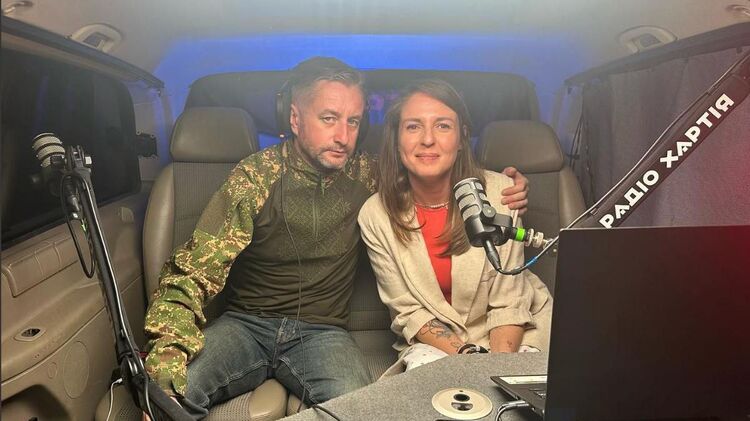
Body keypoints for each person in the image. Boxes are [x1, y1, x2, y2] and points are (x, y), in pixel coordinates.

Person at [143, 58, 530, 417]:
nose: (343, 136)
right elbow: (191, 274)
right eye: (329, 118)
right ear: (295, 119)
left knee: (363, 409)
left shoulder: (371, 175)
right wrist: (166, 360)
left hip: (323, 332)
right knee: (161, 395)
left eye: (353, 122)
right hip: (245, 325)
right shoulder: (253, 178)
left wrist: (504, 184)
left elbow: (432, 169)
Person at [358, 79, 552, 375]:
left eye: (443, 126)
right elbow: (409, 313)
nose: (427, 139)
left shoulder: (501, 194)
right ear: (396, 140)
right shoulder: (375, 214)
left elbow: (509, 302)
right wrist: (469, 359)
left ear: (461, 138)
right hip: (436, 344)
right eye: (413, 126)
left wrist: (496, 372)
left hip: (516, 331)